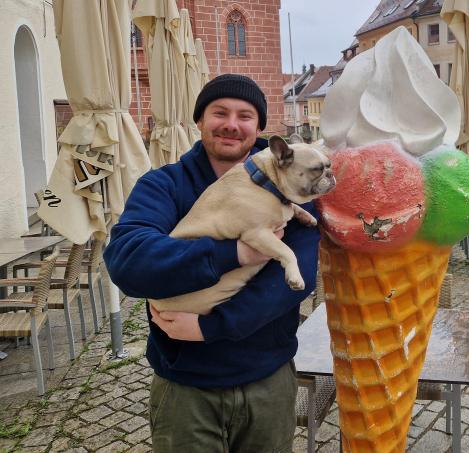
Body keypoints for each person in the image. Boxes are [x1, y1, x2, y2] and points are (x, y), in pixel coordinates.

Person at [104, 74, 318, 452]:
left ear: (260, 127)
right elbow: (129, 263)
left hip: (267, 380)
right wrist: (233, 253)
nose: (232, 124)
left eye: (245, 115)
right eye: (219, 112)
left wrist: (212, 326)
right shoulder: (164, 185)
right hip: (186, 387)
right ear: (199, 120)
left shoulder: (295, 186)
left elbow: (294, 282)